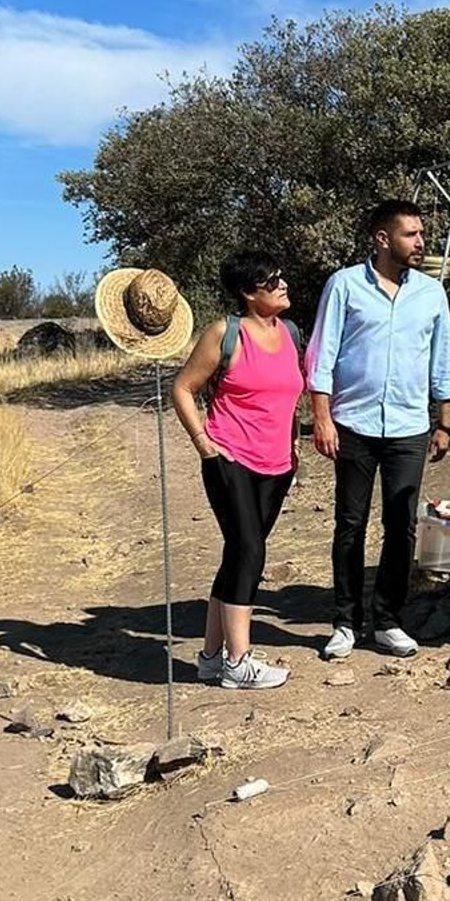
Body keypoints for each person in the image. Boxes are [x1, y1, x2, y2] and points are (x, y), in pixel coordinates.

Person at [308, 200, 450, 659]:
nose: (421, 242)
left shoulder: (431, 294)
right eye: (411, 234)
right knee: (350, 524)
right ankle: (345, 622)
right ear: (382, 238)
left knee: (401, 525)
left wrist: (446, 420)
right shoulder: (345, 286)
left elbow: (442, 359)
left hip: (409, 425)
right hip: (353, 422)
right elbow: (321, 352)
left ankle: (389, 620)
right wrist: (321, 414)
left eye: (421, 233)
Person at [169, 250, 304, 690]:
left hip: (277, 464)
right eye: (272, 280)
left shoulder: (290, 333)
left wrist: (294, 446)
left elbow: (288, 397)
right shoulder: (224, 333)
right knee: (250, 552)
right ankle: (238, 662)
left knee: (238, 554)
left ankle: (210, 656)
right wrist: (204, 444)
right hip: (230, 460)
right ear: (249, 293)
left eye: (281, 276)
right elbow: (184, 389)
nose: (283, 284)